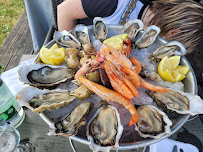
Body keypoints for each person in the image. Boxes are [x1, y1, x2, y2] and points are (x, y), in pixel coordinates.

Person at [57, 0, 203, 53]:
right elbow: (64, 10)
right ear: (172, 33)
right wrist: (70, 51)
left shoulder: (145, 33)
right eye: (172, 44)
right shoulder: (115, 3)